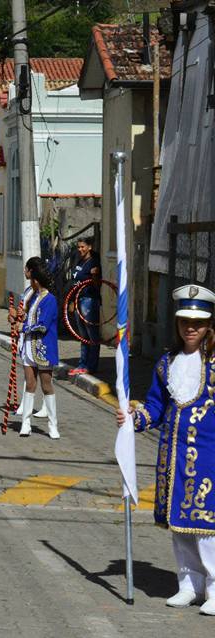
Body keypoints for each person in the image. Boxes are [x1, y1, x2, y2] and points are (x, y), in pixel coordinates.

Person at [118, 284, 215, 615]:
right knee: (180, 526)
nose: (191, 328)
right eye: (185, 321)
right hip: (171, 460)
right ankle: (189, 585)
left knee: (207, 528)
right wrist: (133, 418)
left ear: (209, 324)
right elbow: (156, 407)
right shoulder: (166, 362)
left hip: (209, 460)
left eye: (198, 323)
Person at [16, 260, 59, 438]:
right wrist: (18, 320)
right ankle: (25, 423)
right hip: (28, 346)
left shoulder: (50, 300)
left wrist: (24, 328)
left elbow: (43, 325)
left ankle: (53, 425)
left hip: (43, 348)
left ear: (35, 279)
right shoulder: (32, 296)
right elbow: (28, 318)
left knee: (47, 385)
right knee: (30, 384)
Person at [11, 257, 50, 419]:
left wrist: (23, 319)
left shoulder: (43, 294)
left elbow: (37, 316)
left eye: (26, 269)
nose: (24, 271)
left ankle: (46, 406)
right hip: (25, 335)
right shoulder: (28, 291)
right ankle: (26, 405)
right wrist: (15, 315)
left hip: (37, 339)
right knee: (29, 372)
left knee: (42, 375)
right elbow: (25, 311)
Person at [70, 236, 102, 376]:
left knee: (92, 335)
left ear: (89, 247)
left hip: (89, 300)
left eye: (83, 247)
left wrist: (95, 276)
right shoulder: (80, 261)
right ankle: (82, 364)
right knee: (83, 336)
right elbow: (74, 282)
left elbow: (97, 285)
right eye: (78, 247)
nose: (80, 249)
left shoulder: (94, 262)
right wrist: (72, 301)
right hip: (78, 300)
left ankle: (91, 366)